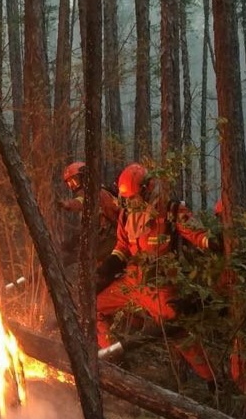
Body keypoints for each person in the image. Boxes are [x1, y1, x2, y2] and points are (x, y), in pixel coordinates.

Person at [93, 163, 219, 382]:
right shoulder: (125, 216)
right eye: (127, 199)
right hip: (132, 281)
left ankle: (212, 381)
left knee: (177, 330)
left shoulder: (170, 210)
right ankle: (115, 360)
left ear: (147, 188)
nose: (130, 203)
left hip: (160, 283)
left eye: (133, 197)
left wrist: (213, 243)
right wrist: (105, 270)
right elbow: (122, 248)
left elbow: (196, 234)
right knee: (94, 307)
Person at [56, 161, 120, 266]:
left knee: (89, 257)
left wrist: (67, 204)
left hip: (115, 238)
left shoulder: (98, 193)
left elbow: (82, 202)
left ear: (84, 177)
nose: (72, 186)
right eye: (69, 183)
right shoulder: (94, 194)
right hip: (105, 236)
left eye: (74, 180)